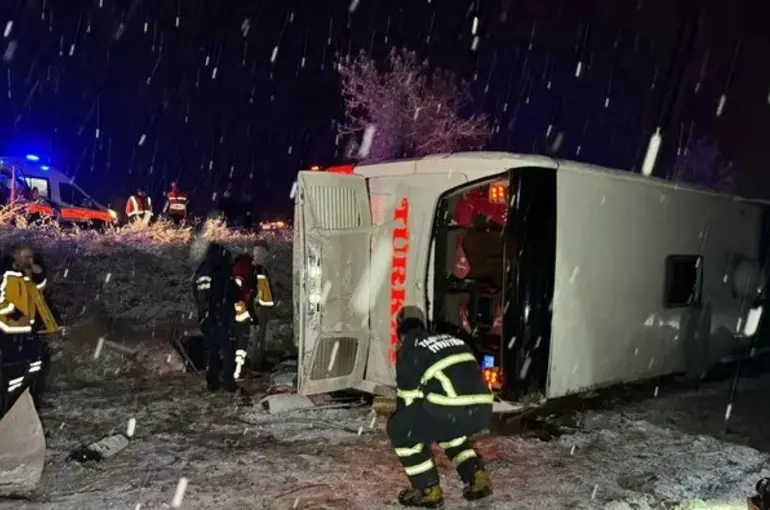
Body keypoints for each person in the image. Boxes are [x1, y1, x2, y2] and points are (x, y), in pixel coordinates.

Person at [387, 306, 494, 508]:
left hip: (450, 407)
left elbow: (407, 401)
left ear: (400, 333)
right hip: (482, 409)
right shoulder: (450, 339)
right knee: (448, 428)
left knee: (400, 428)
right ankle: (477, 476)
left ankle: (427, 490)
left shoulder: (410, 349)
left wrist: (411, 432)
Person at [0, 244, 58, 413]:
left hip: (26, 330)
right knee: (13, 371)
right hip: (8, 331)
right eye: (26, 257)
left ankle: (32, 400)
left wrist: (36, 271)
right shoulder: (7, 274)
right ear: (15, 256)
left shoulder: (24, 275)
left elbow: (38, 290)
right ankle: (10, 405)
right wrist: (15, 313)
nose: (30, 260)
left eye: (31, 257)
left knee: (39, 362)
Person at [191, 241, 239, 393]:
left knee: (211, 350)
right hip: (222, 317)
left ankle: (212, 382)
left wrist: (205, 314)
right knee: (227, 350)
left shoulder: (202, 270)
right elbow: (233, 293)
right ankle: (227, 382)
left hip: (208, 318)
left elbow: (199, 294)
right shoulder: (222, 270)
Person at [231, 244, 274, 375]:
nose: (263, 258)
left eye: (264, 255)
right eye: (260, 254)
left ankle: (251, 366)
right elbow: (243, 292)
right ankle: (241, 369)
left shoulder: (260, 270)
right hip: (245, 310)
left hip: (258, 310)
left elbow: (264, 291)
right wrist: (251, 312)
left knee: (253, 340)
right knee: (244, 341)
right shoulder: (245, 268)